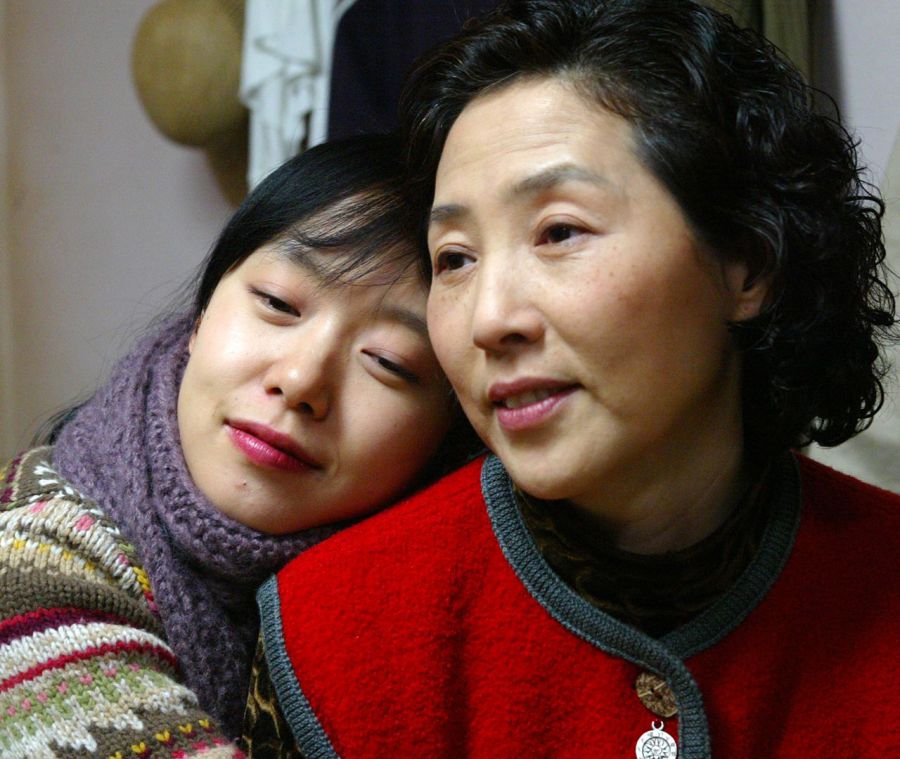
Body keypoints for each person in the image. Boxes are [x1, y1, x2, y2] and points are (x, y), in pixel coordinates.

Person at [246, 1, 900, 757]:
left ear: (747, 263)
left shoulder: (879, 583)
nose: (490, 318)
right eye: (454, 258)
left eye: (559, 232)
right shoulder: (330, 634)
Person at [0, 133, 478, 758]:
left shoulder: (445, 594)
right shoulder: (32, 555)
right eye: (278, 303)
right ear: (200, 318)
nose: (301, 380)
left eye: (389, 361)